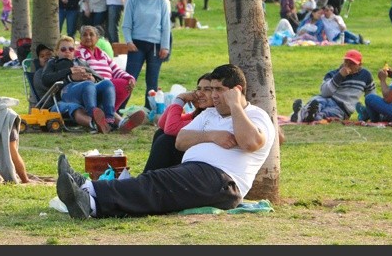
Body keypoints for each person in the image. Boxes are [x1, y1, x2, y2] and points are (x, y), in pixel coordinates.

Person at [55, 63, 275, 219]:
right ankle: (91, 198)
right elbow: (180, 140)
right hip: (197, 171)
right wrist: (212, 136)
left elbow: (250, 143)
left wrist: (235, 105)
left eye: (220, 90)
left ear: (237, 91)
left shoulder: (255, 116)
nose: (214, 95)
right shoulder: (210, 114)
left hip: (223, 183)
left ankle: (90, 195)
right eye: (212, 89)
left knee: (156, 183)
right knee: (156, 183)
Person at [40, 36, 116, 134]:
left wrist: (93, 78)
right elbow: (45, 79)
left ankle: (110, 120)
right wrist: (69, 74)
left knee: (107, 83)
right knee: (87, 85)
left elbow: (99, 77)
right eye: (63, 49)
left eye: (71, 49)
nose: (67, 51)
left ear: (74, 51)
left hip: (88, 89)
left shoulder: (80, 62)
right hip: (67, 91)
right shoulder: (53, 62)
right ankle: (94, 117)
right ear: (57, 51)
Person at [143, 73, 212, 172]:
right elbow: (163, 124)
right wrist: (179, 100)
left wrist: (180, 99)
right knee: (160, 133)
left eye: (207, 89)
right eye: (198, 89)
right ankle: (149, 177)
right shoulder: (201, 113)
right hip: (193, 157)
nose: (199, 94)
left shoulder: (212, 115)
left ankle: (147, 179)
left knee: (167, 140)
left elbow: (171, 129)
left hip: (203, 164)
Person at [122, 0, 171, 109]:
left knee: (152, 80)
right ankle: (119, 108)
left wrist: (165, 46)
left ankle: (150, 110)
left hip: (155, 46)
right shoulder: (133, 0)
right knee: (130, 79)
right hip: (136, 45)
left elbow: (166, 26)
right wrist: (128, 41)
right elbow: (126, 25)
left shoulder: (161, 1)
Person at [291, 49, 376, 123]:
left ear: (360, 64)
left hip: (343, 108)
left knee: (325, 114)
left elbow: (371, 96)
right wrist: (339, 76)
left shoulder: (366, 75)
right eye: (346, 62)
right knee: (316, 102)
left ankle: (310, 116)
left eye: (352, 63)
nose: (348, 65)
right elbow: (324, 93)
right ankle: (299, 114)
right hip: (327, 98)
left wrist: (369, 112)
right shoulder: (332, 74)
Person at [75, 25, 140, 119]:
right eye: (85, 35)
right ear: (81, 38)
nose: (88, 37)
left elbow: (116, 69)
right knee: (110, 84)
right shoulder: (80, 52)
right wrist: (103, 80)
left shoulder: (102, 53)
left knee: (127, 83)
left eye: (91, 35)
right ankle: (110, 117)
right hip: (93, 85)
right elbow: (84, 69)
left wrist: (130, 78)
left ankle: (107, 114)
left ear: (97, 38)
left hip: (108, 84)